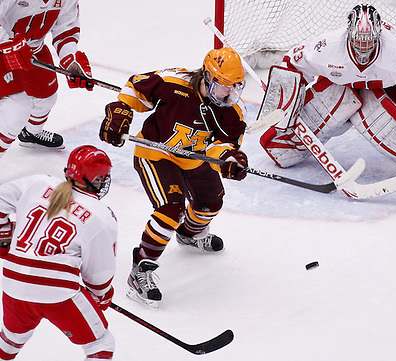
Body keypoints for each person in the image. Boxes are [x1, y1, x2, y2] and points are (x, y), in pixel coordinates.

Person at [259, 3, 396, 191]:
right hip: (339, 89)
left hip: (386, 96)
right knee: (281, 150)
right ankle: (286, 144)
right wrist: (284, 102)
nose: (363, 48)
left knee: (384, 126)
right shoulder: (326, 47)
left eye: (368, 42)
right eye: (358, 42)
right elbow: (291, 65)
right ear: (349, 33)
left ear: (378, 35)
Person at [99, 47, 248, 307]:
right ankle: (140, 272)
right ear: (207, 77)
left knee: (211, 203)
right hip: (155, 151)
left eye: (236, 86)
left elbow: (224, 145)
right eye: (225, 86)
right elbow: (136, 87)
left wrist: (228, 160)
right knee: (171, 210)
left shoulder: (233, 111)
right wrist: (121, 109)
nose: (231, 94)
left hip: (194, 156)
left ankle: (190, 235)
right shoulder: (173, 83)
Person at [0, 145, 117, 360]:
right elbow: (99, 274)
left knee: (10, 340)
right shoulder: (101, 215)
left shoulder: (38, 182)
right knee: (100, 344)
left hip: (13, 283)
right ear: (97, 179)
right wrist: (101, 296)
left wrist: (4, 236)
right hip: (57, 293)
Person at [0, 0, 94, 156]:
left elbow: (66, 30)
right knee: (17, 109)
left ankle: (32, 133)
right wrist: (8, 44)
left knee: (47, 97)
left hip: (33, 50)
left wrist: (71, 61)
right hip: (3, 51)